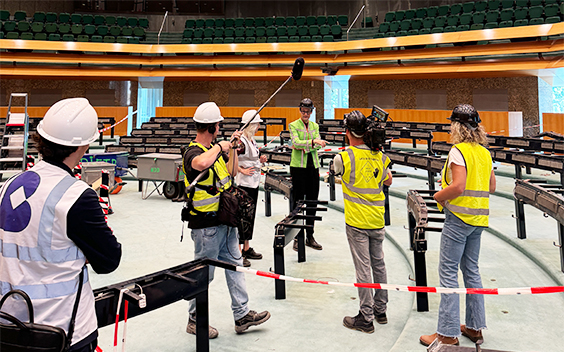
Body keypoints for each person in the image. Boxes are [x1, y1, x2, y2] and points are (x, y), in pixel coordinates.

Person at [0, 98, 122, 352]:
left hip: (8, 323)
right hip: (61, 329)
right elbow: (109, 260)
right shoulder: (76, 196)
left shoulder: (8, 185)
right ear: (83, 145)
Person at [182, 102, 270, 339]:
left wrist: (231, 147)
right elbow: (199, 163)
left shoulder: (215, 150)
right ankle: (193, 320)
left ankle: (242, 316)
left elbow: (231, 172)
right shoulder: (193, 151)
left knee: (235, 266)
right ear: (212, 126)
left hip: (226, 221)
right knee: (204, 274)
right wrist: (220, 146)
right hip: (206, 226)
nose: (220, 127)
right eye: (218, 124)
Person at [420, 104, 496, 346]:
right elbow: (491, 186)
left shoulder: (457, 151)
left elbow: (458, 186)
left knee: (448, 273)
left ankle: (447, 333)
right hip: (478, 221)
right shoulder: (484, 152)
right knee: (471, 271)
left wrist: (438, 196)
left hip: (458, 220)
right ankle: (474, 328)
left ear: (457, 127)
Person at [332, 110, 392, 334]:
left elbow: (334, 171)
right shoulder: (380, 155)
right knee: (379, 265)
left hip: (357, 221)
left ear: (347, 132)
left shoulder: (344, 157)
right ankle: (381, 310)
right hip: (377, 219)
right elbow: (388, 179)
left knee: (363, 269)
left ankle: (366, 318)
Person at [289, 98, 327, 251]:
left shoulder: (315, 126)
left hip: (313, 168)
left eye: (308, 111)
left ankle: (309, 236)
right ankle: (297, 238)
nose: (305, 114)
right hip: (298, 168)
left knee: (312, 202)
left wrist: (310, 145)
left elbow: (313, 146)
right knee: (298, 203)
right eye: (303, 111)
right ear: (300, 111)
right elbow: (295, 143)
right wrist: (313, 143)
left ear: (312, 111)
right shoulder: (293, 125)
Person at [236, 110, 268, 268]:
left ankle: (247, 248)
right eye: (257, 124)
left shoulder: (251, 141)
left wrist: (260, 160)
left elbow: (252, 159)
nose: (259, 127)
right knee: (242, 218)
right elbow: (231, 158)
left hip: (253, 183)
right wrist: (241, 170)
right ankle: (238, 251)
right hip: (244, 184)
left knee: (250, 217)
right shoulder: (241, 142)